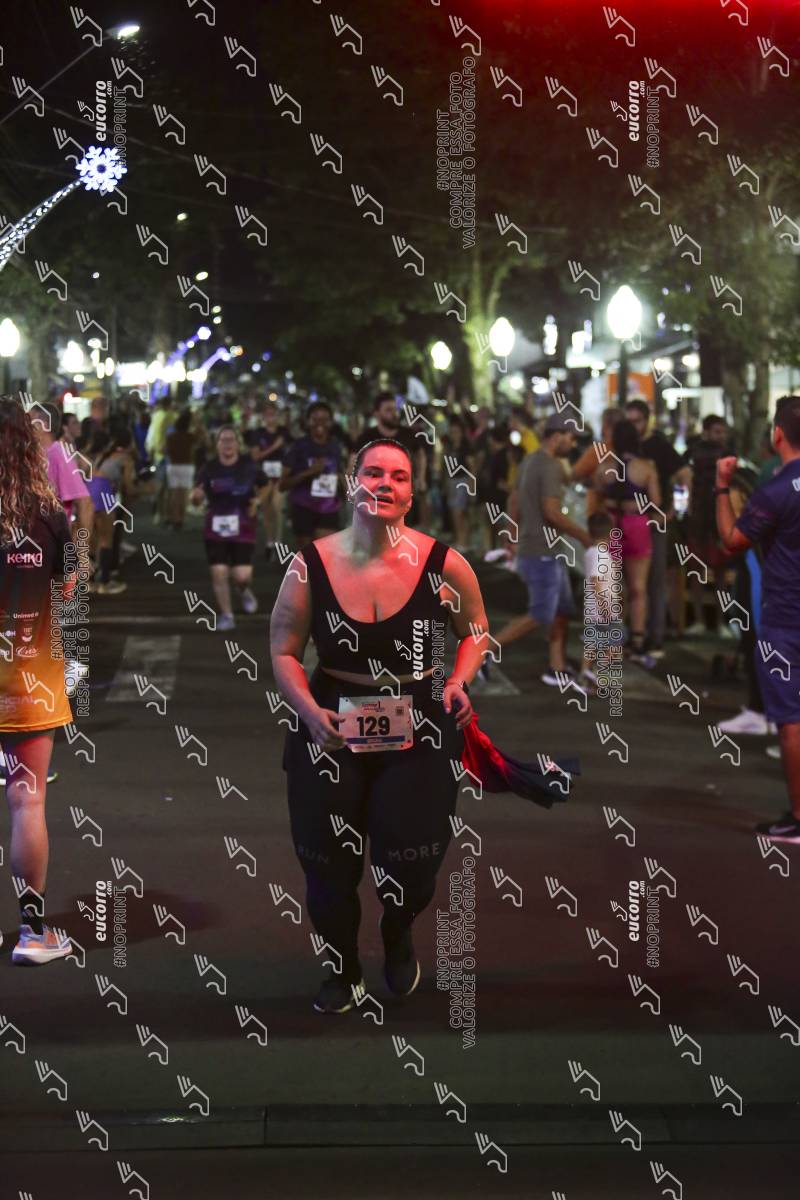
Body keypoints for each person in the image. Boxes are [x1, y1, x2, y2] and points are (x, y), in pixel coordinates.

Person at [270, 438, 485, 1013]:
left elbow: (476, 630)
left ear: (411, 494)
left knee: (412, 862)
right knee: (326, 864)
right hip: (330, 725)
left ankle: (398, 927)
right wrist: (308, 711)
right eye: (372, 473)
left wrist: (458, 681)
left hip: (420, 725)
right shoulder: (310, 564)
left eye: (398, 476)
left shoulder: (444, 564)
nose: (384, 483)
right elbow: (284, 650)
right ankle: (341, 969)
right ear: (352, 485)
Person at [0, 396, 75, 964]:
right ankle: (31, 934)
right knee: (27, 798)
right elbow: (70, 589)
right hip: (31, 678)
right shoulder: (50, 516)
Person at [715, 396, 800, 840]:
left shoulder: (775, 489)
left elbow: (732, 540)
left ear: (777, 434)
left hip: (786, 618)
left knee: (791, 720)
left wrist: (721, 486)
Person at [484, 413, 591, 687]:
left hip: (541, 549)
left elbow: (514, 498)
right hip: (542, 551)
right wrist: (584, 537)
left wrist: (511, 535)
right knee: (541, 613)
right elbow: (551, 512)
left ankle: (556, 668)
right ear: (557, 436)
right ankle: (485, 649)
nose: (573, 444)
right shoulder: (551, 466)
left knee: (561, 611)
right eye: (571, 438)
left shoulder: (529, 460)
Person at [592, 419, 661, 666]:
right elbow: (656, 503)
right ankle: (638, 640)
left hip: (611, 524)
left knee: (611, 586)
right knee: (638, 588)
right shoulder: (646, 468)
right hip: (637, 525)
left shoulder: (605, 468)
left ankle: (612, 638)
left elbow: (598, 496)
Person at [625, 399, 689, 658]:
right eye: (629, 422)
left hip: (654, 520)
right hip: (631, 521)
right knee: (633, 582)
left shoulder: (658, 445)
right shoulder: (625, 446)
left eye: (637, 421)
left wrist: (675, 512)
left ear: (647, 420)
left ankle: (655, 636)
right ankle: (636, 633)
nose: (634, 427)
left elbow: (685, 475)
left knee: (655, 580)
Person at [189, 426, 269, 631]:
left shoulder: (249, 466)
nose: (227, 444)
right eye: (223, 440)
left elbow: (266, 485)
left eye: (231, 440)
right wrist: (196, 498)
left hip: (243, 527)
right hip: (215, 528)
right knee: (219, 572)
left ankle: (243, 590)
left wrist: (257, 501)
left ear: (238, 444)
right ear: (216, 445)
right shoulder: (209, 468)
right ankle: (227, 614)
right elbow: (196, 495)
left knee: (242, 576)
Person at [684, 414, 732, 635]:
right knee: (713, 573)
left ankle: (707, 621)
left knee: (707, 572)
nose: (721, 436)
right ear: (706, 432)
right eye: (717, 432)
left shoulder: (691, 454)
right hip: (708, 521)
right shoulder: (726, 455)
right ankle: (715, 622)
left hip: (706, 521)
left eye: (723, 432)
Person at [349, 392, 428, 525]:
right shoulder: (366, 437)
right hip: (374, 497)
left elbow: (420, 455)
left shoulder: (408, 434)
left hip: (402, 497)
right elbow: (352, 462)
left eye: (395, 409)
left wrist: (421, 478)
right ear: (377, 413)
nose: (394, 414)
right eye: (388, 410)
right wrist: (352, 486)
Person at [281, 401, 345, 549]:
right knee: (308, 556)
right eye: (315, 419)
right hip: (303, 507)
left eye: (324, 419)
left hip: (329, 507)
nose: (319, 423)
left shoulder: (336, 446)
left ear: (331, 422)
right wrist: (309, 472)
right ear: (308, 422)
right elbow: (282, 485)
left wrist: (344, 484)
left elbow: (341, 473)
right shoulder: (298, 447)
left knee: (325, 554)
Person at [580, 510, 624, 690]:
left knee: (592, 643)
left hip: (592, 609)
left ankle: (585, 675)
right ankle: (598, 671)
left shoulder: (591, 552)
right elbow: (597, 581)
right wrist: (605, 606)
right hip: (603, 610)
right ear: (611, 533)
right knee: (617, 641)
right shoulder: (601, 555)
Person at [244, 400, 291, 559]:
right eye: (267, 414)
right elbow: (255, 456)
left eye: (273, 414)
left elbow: (293, 450)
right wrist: (274, 447)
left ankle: (278, 542)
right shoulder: (258, 433)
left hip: (280, 476)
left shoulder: (284, 432)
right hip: (263, 477)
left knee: (277, 507)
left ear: (278, 415)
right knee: (267, 510)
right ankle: (270, 542)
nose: (270, 417)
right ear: (263, 416)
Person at [440, 414, 475, 552]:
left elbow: (472, 467)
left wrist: (472, 484)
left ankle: (463, 541)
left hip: (463, 481)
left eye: (456, 432)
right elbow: (445, 466)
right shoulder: (449, 447)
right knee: (453, 511)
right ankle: (460, 539)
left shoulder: (466, 447)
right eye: (452, 432)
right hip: (451, 481)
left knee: (459, 512)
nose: (454, 435)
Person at [145, 397, 177, 524]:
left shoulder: (156, 416)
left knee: (161, 486)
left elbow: (151, 436)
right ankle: (167, 515)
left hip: (159, 456)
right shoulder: (172, 416)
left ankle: (159, 513)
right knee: (169, 488)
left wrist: (150, 452)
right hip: (170, 456)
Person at [165, 409, 198, 530]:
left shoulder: (171, 437)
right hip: (187, 466)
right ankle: (181, 519)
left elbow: (165, 450)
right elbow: (201, 439)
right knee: (184, 495)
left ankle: (174, 518)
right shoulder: (190, 437)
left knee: (174, 493)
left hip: (173, 465)